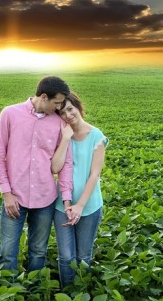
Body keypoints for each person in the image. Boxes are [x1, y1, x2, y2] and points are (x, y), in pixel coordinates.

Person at [0, 76, 74, 273]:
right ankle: (8, 287)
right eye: (56, 103)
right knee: (7, 251)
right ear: (44, 97)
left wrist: (66, 198)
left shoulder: (59, 123)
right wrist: (6, 194)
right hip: (15, 197)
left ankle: (35, 286)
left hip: (45, 198)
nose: (59, 108)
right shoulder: (10, 114)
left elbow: (66, 164)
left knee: (38, 251)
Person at [50, 92, 108, 288]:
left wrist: (80, 205)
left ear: (77, 106)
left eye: (70, 109)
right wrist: (66, 138)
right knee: (66, 256)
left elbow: (94, 174)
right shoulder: (61, 136)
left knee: (83, 256)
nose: (67, 115)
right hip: (62, 205)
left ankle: (81, 292)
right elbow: (55, 168)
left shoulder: (96, 136)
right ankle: (67, 293)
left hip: (89, 206)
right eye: (62, 113)